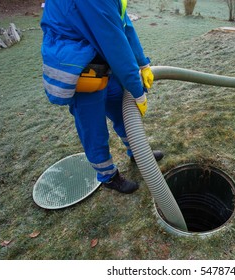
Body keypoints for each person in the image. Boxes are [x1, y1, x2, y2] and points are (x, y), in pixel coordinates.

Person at [40, 0, 163, 194]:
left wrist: (143, 64)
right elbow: (115, 44)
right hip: (80, 68)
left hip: (101, 59)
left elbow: (123, 25)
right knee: (94, 128)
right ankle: (108, 176)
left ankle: (138, 153)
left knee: (123, 113)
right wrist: (138, 93)